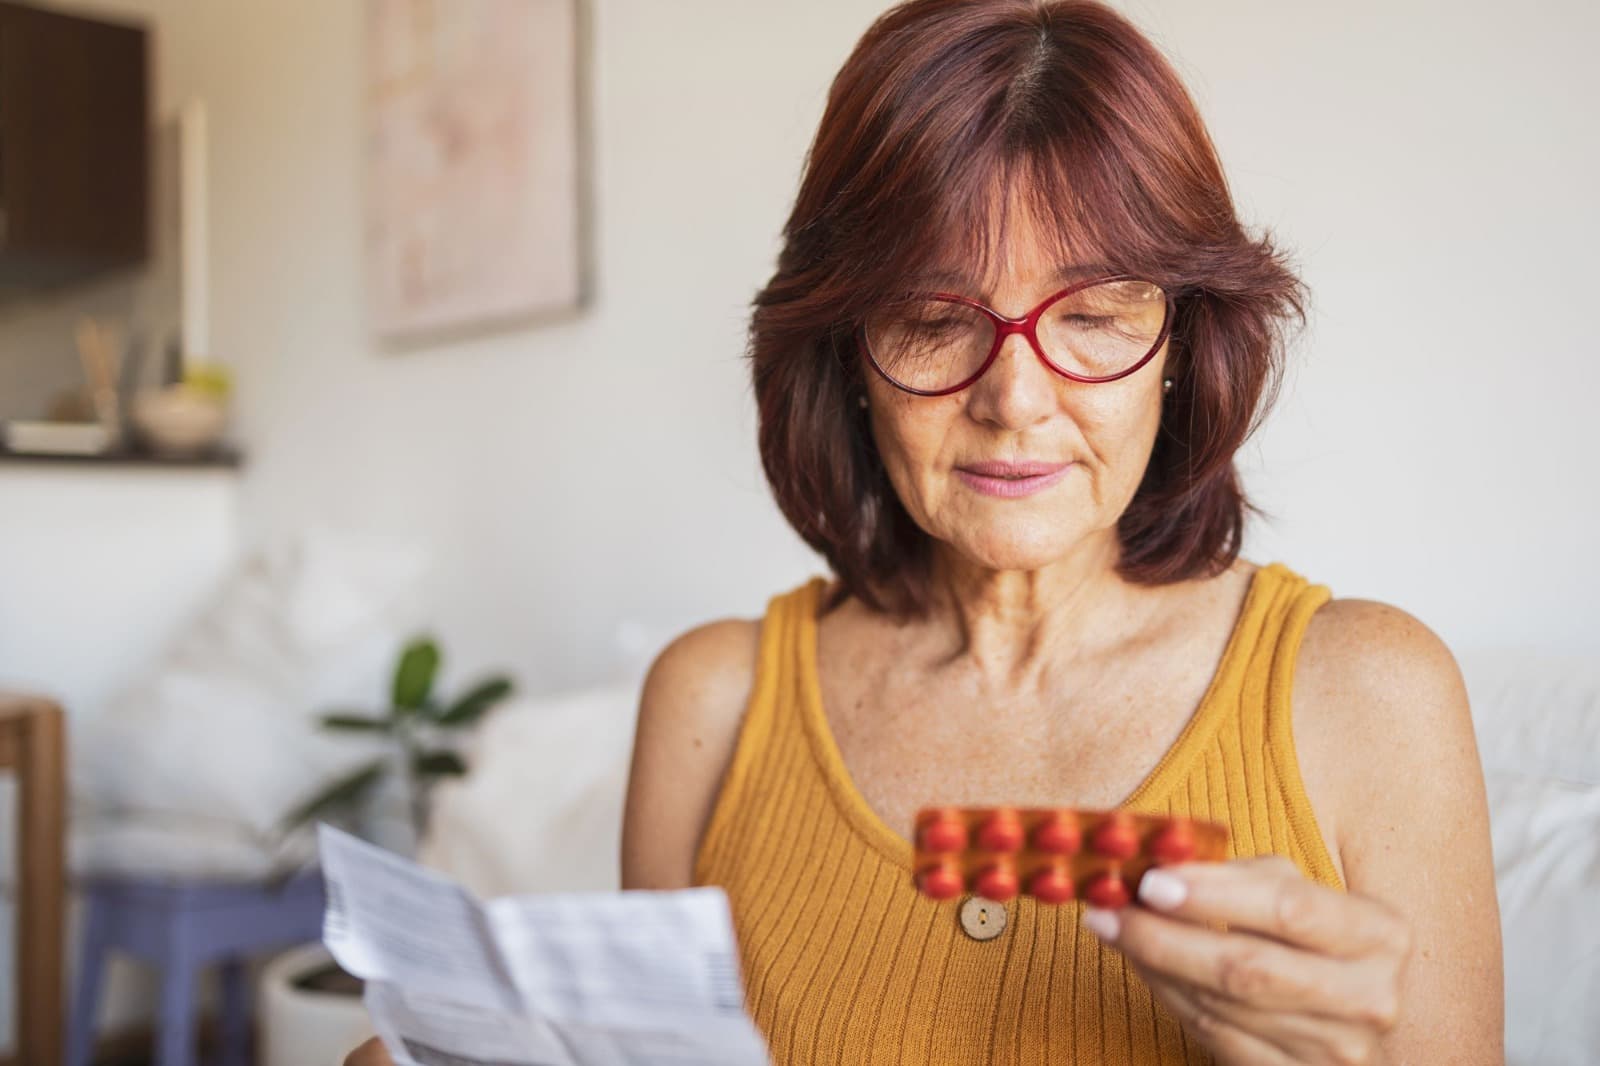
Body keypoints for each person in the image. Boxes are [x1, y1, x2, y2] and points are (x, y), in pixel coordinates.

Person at [349, 1, 1502, 1064]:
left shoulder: (1371, 694)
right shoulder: (706, 704)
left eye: (1096, 317)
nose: (1013, 397)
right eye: (933, 320)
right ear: (847, 353)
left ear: (1187, 347)